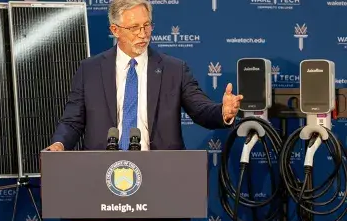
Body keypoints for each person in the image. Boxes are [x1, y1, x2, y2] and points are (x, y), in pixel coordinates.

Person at [46, 0, 243, 151]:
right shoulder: (90, 70)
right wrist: (59, 144)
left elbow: (200, 109)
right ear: (115, 30)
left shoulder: (174, 69)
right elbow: (72, 121)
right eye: (134, 28)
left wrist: (222, 113)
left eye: (147, 25)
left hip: (160, 170)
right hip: (102, 170)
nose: (143, 34)